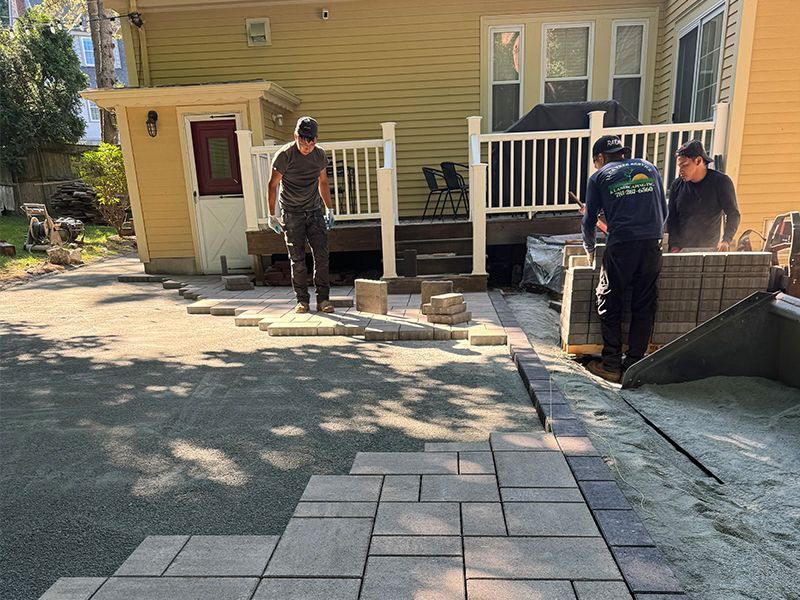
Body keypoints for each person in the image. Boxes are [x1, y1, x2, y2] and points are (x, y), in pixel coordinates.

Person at [582, 135, 668, 383]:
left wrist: (589, 248)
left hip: (621, 246)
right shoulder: (648, 167)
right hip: (652, 244)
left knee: (609, 299)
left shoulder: (599, 177)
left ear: (599, 158)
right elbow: (663, 210)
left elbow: (589, 221)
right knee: (644, 303)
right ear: (623, 153)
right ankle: (634, 365)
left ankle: (610, 364)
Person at [267, 116, 336, 314]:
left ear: (316, 139)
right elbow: (273, 185)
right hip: (292, 212)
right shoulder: (284, 156)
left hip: (314, 210)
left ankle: (323, 300)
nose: (307, 146)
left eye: (311, 141)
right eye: (303, 140)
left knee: (322, 256)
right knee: (297, 259)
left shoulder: (319, 155)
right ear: (295, 136)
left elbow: (323, 182)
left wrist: (329, 209)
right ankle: (302, 301)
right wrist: (272, 215)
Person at [667, 139, 741, 252]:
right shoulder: (676, 186)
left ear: (698, 160)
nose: (680, 171)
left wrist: (726, 240)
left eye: (684, 165)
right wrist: (674, 246)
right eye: (679, 166)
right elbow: (672, 219)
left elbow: (733, 214)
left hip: (709, 248)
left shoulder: (721, 182)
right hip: (681, 250)